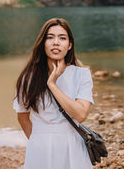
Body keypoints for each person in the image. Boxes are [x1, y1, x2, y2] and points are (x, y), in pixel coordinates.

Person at [13, 18, 94, 169]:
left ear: (69, 45)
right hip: (40, 148)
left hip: (73, 147)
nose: (56, 42)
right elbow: (22, 116)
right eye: (50, 37)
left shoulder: (81, 74)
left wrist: (52, 84)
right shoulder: (28, 78)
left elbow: (81, 114)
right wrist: (37, 142)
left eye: (62, 38)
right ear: (43, 43)